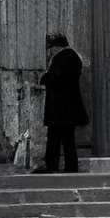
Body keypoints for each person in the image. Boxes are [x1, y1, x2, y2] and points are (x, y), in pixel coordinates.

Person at [37, 31, 89, 173]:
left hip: (61, 107)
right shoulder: (72, 56)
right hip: (65, 107)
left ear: (56, 46)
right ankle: (67, 166)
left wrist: (44, 78)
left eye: (50, 48)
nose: (49, 51)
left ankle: (53, 165)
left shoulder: (64, 57)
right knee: (66, 139)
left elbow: (54, 78)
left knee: (57, 138)